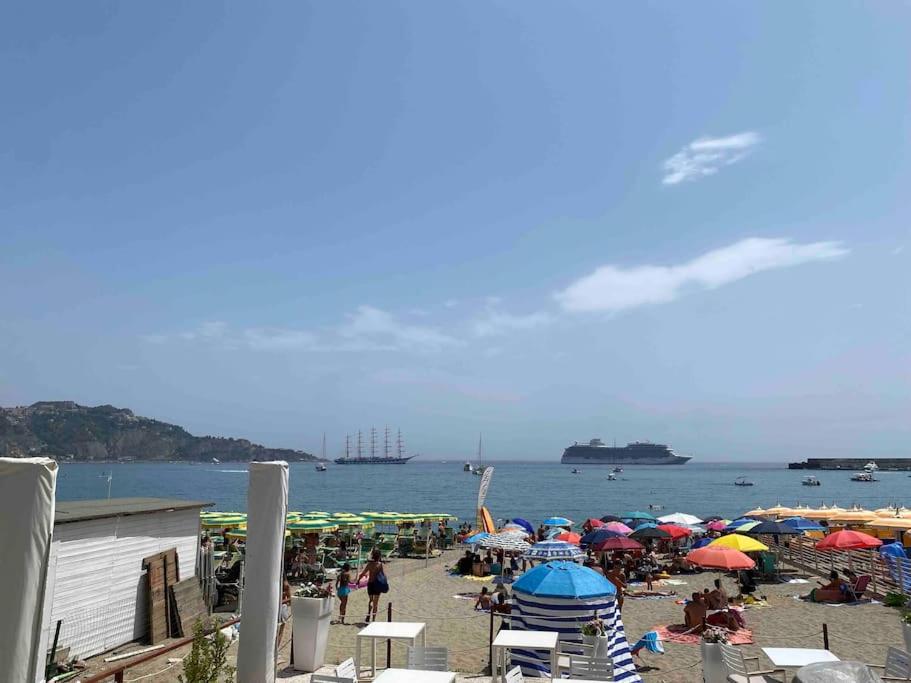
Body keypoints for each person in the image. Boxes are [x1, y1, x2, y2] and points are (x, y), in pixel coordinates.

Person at [357, 549, 386, 622]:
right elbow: (382, 575)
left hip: (370, 584)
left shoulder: (369, 564)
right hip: (377, 584)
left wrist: (358, 580)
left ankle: (369, 613)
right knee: (376, 603)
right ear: (379, 556)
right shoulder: (380, 565)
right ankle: (373, 619)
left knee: (371, 600)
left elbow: (363, 573)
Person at [276, 579, 292, 651]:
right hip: (278, 608)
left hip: (282, 608)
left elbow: (290, 599)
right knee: (277, 631)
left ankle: (276, 650)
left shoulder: (285, 585)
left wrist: (279, 602)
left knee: (280, 631)